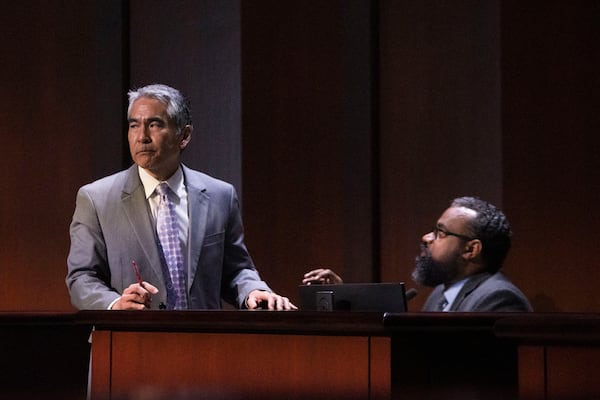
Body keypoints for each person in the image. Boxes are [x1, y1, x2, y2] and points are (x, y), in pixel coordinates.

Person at [66, 83, 296, 311]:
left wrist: (253, 290)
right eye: (134, 125)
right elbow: (82, 278)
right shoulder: (96, 198)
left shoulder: (220, 196)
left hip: (205, 342)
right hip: (130, 340)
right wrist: (115, 304)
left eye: (154, 124)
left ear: (184, 135)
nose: (142, 137)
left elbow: (236, 269)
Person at [303, 196, 532, 312]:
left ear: (471, 249)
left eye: (440, 232)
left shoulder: (499, 299)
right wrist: (346, 298)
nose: (426, 238)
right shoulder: (440, 295)